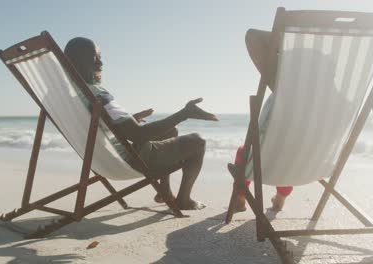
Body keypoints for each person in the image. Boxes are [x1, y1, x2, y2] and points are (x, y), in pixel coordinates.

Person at [64, 37, 218, 210]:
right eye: (95, 58)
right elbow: (138, 135)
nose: (101, 62)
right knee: (198, 142)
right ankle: (184, 200)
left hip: (102, 159)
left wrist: (129, 120)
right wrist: (185, 113)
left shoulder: (70, 94)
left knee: (170, 131)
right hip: (129, 158)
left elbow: (98, 124)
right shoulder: (97, 93)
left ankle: (164, 192)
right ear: (77, 62)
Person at [230, 29, 293, 212]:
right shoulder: (329, 100)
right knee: (291, 153)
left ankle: (241, 198)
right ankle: (281, 197)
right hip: (312, 163)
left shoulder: (283, 90)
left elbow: (253, 36)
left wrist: (293, 42)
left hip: (268, 161)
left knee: (245, 152)